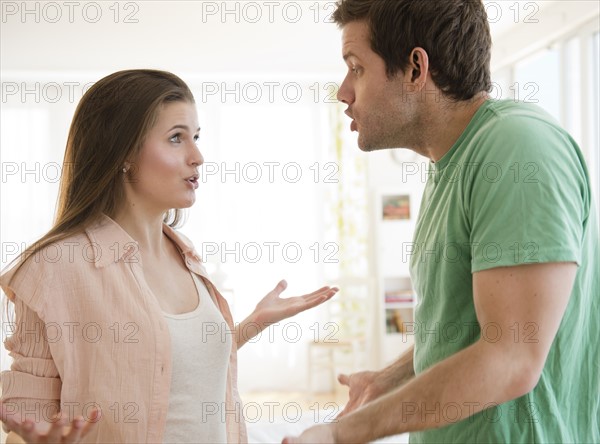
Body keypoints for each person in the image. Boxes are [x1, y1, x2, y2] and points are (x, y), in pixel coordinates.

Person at [284, 0, 599, 443]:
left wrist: (342, 433)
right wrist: (386, 379)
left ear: (415, 69)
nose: (343, 92)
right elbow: (464, 329)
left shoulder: (515, 149)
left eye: (356, 68)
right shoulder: (452, 164)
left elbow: (510, 356)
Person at [0, 69, 338, 443]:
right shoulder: (55, 267)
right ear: (123, 151)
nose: (197, 156)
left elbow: (166, 364)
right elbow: (25, 421)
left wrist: (249, 326)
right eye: (176, 138)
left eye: (195, 137)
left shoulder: (185, 253)